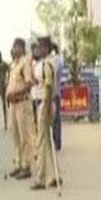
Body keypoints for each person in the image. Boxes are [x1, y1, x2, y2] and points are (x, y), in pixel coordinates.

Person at [31, 37, 59, 190]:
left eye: (41, 47)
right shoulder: (44, 63)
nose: (39, 50)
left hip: (46, 103)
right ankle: (52, 176)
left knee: (41, 142)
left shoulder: (47, 64)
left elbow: (48, 87)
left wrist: (46, 107)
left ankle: (41, 178)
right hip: (44, 103)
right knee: (47, 142)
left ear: (47, 48)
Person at [6, 38, 36, 180]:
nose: (14, 49)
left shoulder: (25, 63)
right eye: (13, 46)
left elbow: (29, 84)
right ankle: (18, 163)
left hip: (22, 102)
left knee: (24, 136)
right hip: (14, 104)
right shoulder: (13, 65)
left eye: (16, 47)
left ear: (22, 48)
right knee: (15, 135)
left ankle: (26, 165)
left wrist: (16, 93)